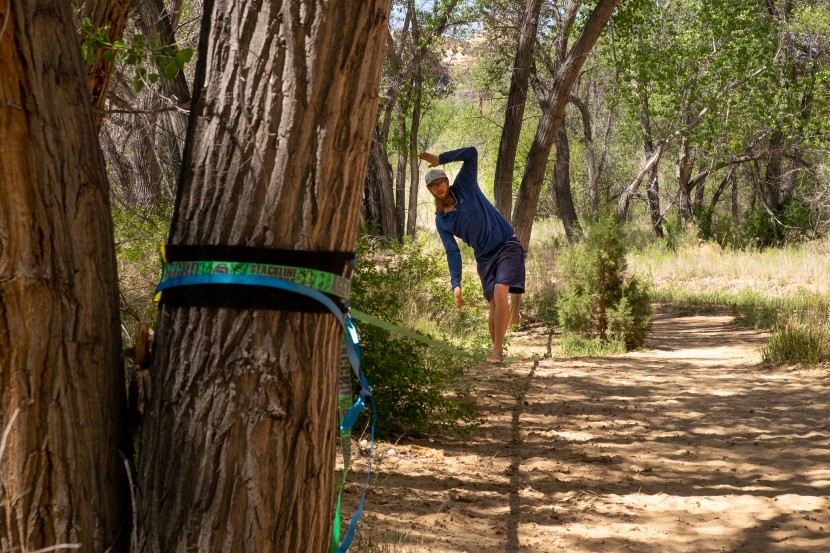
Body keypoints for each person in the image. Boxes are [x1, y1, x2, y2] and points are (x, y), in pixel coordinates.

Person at [418, 146, 525, 364]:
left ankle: (497, 351)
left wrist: (441, 158)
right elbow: (452, 252)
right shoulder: (441, 220)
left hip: (506, 244)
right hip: (484, 257)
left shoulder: (465, 186)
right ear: (429, 190)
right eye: (433, 185)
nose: (439, 187)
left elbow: (473, 153)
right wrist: (455, 283)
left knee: (501, 291)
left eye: (441, 182)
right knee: (494, 303)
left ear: (447, 182)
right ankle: (496, 351)